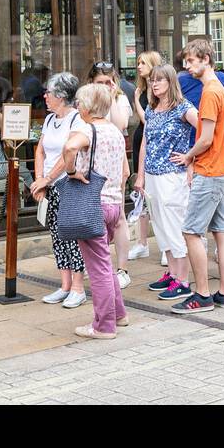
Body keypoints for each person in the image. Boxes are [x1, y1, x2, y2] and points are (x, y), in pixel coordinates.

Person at [49, 83, 130, 339]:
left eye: (80, 103)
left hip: (92, 204)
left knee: (98, 269)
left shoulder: (88, 129)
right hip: (114, 203)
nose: (78, 107)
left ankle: (104, 325)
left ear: (87, 106)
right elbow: (125, 171)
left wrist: (72, 172)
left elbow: (70, 148)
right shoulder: (115, 132)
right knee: (105, 262)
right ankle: (119, 314)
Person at [169, 38, 224, 314]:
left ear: (206, 59)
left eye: (191, 61)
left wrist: (188, 156)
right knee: (221, 231)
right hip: (223, 169)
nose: (187, 67)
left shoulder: (210, 91)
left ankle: (202, 294)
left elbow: (206, 138)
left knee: (191, 232)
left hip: (210, 170)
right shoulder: (218, 88)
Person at [137, 64, 198, 301]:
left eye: (159, 80)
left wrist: (190, 155)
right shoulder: (152, 109)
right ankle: (173, 273)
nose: (154, 84)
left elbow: (205, 129)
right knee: (161, 226)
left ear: (170, 82)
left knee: (174, 224)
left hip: (173, 175)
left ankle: (183, 279)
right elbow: (145, 143)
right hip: (153, 174)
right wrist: (140, 174)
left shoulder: (183, 108)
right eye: (152, 80)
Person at [31, 73, 87, 309]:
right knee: (57, 234)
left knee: (73, 236)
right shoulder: (50, 119)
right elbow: (40, 151)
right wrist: (39, 181)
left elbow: (69, 154)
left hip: (68, 184)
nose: (45, 96)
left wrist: (48, 178)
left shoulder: (76, 120)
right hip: (51, 185)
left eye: (50, 93)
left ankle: (78, 287)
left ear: (62, 96)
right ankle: (64, 284)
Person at [88, 60, 134, 287]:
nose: (105, 86)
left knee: (118, 215)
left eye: (109, 81)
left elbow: (121, 124)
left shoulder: (119, 98)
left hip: (114, 161)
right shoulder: (86, 100)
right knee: (94, 215)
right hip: (92, 162)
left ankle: (122, 269)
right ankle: (101, 262)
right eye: (100, 82)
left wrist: (114, 96)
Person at [128, 50, 163, 261]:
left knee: (156, 196)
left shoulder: (158, 90)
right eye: (138, 62)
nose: (139, 66)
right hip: (141, 138)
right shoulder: (139, 89)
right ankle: (141, 242)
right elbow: (141, 120)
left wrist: (140, 102)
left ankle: (163, 245)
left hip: (154, 140)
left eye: (143, 63)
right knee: (141, 193)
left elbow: (148, 119)